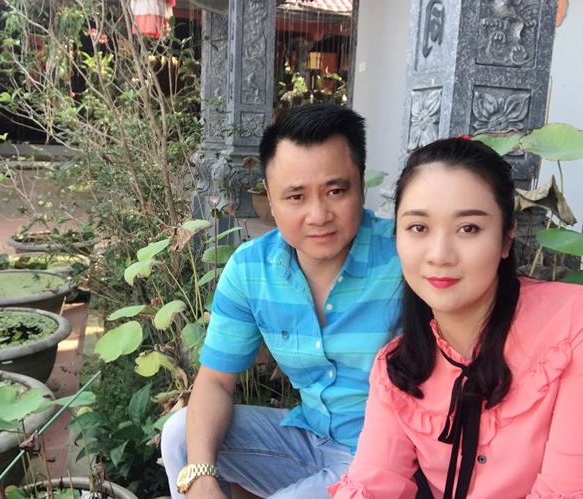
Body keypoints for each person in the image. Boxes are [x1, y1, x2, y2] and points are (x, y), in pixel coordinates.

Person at [161, 104, 402, 498]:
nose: (318, 215)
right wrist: (201, 477)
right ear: (270, 201)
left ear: (361, 186)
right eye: (296, 196)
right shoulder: (251, 269)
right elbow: (215, 381)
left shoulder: (405, 256)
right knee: (180, 437)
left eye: (336, 191)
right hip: (309, 441)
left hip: (388, 460)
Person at [329, 137, 583, 498]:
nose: (439, 254)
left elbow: (567, 489)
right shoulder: (397, 367)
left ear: (506, 238)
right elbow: (371, 483)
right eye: (419, 228)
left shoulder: (572, 327)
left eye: (468, 228)